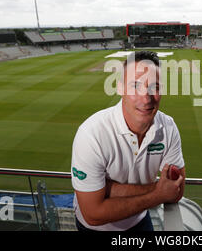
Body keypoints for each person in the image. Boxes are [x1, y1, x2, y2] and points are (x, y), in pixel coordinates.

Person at [71, 50, 186, 231]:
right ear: (120, 88)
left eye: (154, 87)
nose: (146, 98)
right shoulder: (91, 134)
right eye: (135, 86)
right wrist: (158, 193)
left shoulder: (169, 128)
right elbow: (93, 214)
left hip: (139, 221)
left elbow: (176, 192)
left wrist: (110, 190)